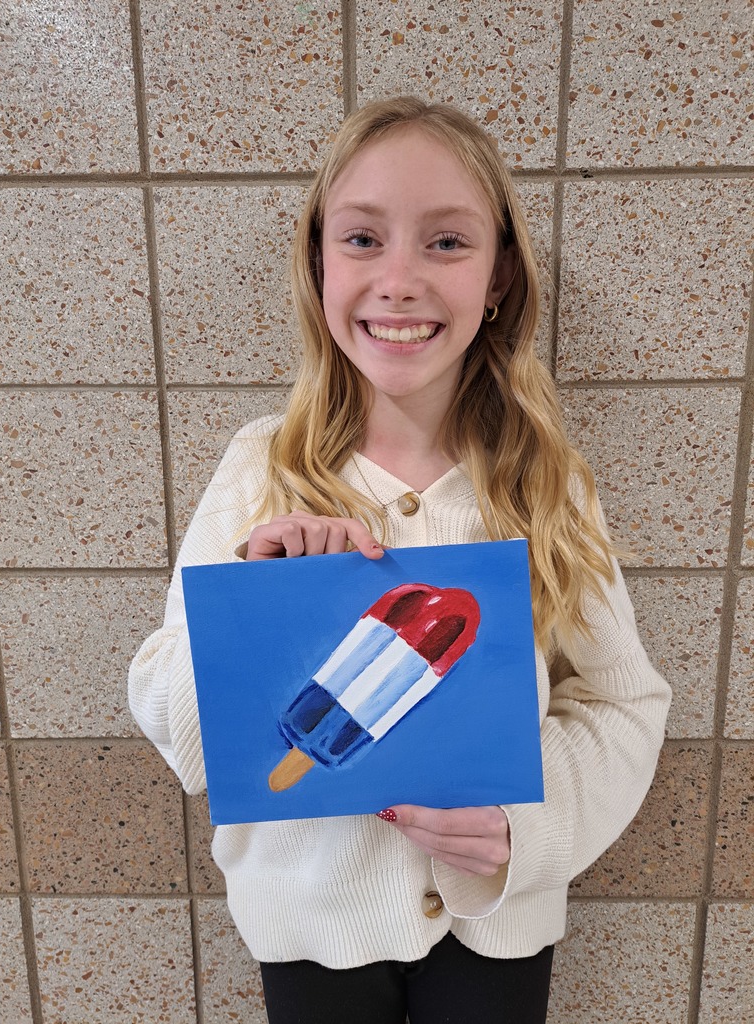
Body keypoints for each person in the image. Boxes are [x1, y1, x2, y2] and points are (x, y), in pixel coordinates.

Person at [129, 96, 671, 1024]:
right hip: (312, 930)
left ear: (499, 277)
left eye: (447, 243)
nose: (400, 281)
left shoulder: (545, 485)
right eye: (362, 240)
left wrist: (523, 829)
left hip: (496, 926)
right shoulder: (261, 469)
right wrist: (254, 610)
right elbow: (168, 712)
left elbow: (623, 701)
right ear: (319, 265)